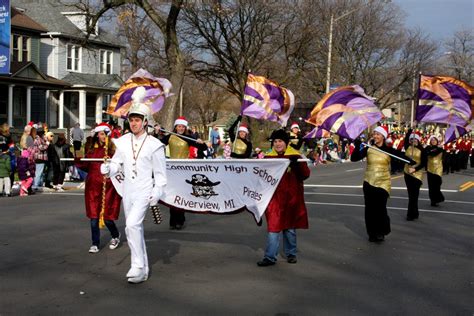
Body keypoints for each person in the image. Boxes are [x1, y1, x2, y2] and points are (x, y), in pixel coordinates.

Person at [100, 86, 167, 283]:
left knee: (131, 224)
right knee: (132, 229)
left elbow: (161, 176)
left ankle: (137, 266)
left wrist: (157, 191)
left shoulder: (155, 145)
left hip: (144, 192)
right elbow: (115, 163)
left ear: (145, 122)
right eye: (131, 119)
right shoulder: (122, 141)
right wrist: (108, 169)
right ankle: (142, 267)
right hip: (128, 192)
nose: (134, 123)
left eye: (137, 120)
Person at [351, 126, 415, 242]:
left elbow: (402, 158)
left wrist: (412, 163)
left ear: (383, 137)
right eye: (374, 134)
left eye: (378, 134)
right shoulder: (368, 148)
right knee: (370, 209)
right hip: (369, 181)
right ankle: (372, 233)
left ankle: (381, 231)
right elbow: (354, 158)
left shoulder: (389, 150)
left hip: (383, 182)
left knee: (380, 209)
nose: (375, 136)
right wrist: (357, 146)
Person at [257, 129, 310, 266]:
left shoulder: (295, 156)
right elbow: (260, 177)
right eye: (275, 141)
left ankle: (291, 253)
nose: (278, 144)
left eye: (280, 141)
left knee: (289, 228)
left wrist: (296, 165)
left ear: (286, 142)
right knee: (273, 228)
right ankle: (270, 257)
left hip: (291, 198)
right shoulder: (268, 158)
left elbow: (305, 175)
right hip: (274, 199)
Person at [76, 123, 122, 254]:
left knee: (107, 217)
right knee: (94, 217)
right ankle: (95, 243)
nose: (103, 137)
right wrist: (78, 157)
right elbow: (85, 166)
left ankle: (115, 235)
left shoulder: (113, 149)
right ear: (97, 135)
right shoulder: (91, 149)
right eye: (101, 134)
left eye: (105, 134)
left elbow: (119, 167)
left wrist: (112, 167)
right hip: (93, 187)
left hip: (109, 187)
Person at [160, 116, 207, 229]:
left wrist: (201, 143)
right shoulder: (170, 137)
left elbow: (204, 148)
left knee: (181, 194)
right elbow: (157, 144)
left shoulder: (187, 137)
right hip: (172, 169)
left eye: (182, 127)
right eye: (179, 126)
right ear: (175, 127)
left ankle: (180, 220)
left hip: (183, 170)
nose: (180, 128)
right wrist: (156, 133)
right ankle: (172, 221)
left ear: (185, 128)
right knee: (172, 194)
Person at [403, 129, 426, 221]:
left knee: (414, 195)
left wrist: (415, 169)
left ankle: (410, 214)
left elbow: (424, 163)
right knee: (410, 195)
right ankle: (415, 213)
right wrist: (410, 130)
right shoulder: (407, 147)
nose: (413, 141)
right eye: (412, 139)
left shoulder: (422, 150)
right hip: (407, 173)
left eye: (415, 139)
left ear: (418, 140)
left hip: (417, 174)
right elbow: (405, 139)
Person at [424, 135, 445, 206]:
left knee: (437, 185)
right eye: (432, 140)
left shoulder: (440, 148)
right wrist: (435, 149)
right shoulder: (428, 148)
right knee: (431, 186)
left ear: (437, 141)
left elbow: (441, 155)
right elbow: (429, 153)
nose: (433, 141)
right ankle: (433, 200)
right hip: (430, 169)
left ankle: (438, 198)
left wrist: (439, 148)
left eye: (435, 140)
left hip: (438, 169)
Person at [32, 127, 49, 191]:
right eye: (43, 133)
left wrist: (45, 140)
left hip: (41, 158)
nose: (44, 134)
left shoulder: (41, 138)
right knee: (38, 172)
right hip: (39, 158)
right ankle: (35, 185)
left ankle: (39, 184)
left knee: (41, 172)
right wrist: (47, 144)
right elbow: (41, 148)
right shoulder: (37, 139)